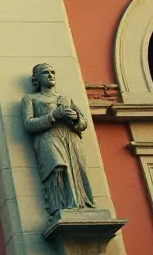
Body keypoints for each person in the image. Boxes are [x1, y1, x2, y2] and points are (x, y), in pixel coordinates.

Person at [22, 63, 94, 215]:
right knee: (57, 167)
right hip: (48, 137)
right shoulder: (31, 99)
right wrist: (54, 115)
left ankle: (79, 204)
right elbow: (29, 123)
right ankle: (59, 207)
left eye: (53, 72)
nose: (51, 75)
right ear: (37, 79)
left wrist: (75, 118)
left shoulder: (65, 99)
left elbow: (84, 123)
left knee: (77, 169)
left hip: (70, 138)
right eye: (45, 72)